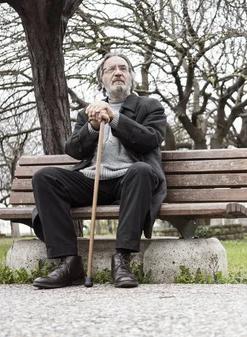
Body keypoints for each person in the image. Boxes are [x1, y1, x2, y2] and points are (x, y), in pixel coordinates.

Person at [30, 52, 167, 289]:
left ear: (131, 77)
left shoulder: (150, 106)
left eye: (123, 68)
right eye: (110, 69)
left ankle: (122, 261)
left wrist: (115, 119)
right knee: (45, 177)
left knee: (142, 170)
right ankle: (68, 263)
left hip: (130, 181)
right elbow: (73, 150)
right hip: (90, 181)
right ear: (101, 79)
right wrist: (93, 127)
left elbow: (151, 140)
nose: (117, 72)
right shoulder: (87, 113)